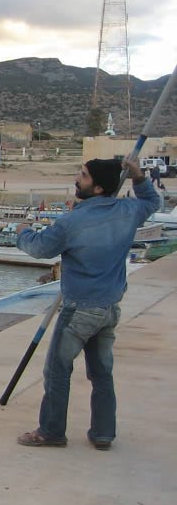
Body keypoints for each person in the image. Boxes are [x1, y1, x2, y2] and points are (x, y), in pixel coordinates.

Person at [15, 158, 160, 450]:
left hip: (79, 310)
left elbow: (40, 248)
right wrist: (139, 177)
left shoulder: (73, 221)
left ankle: (51, 431)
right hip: (108, 309)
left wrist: (22, 232)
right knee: (102, 373)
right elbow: (152, 201)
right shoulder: (128, 211)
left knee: (57, 370)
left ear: (97, 187)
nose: (76, 179)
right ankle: (103, 434)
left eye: (82, 176)